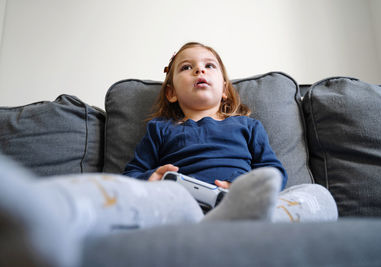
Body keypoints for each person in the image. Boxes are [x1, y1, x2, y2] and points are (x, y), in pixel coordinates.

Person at [0, 42, 337, 267]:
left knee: (316, 194)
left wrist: (252, 187)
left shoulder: (245, 126)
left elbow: (272, 169)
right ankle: (53, 209)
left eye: (208, 66)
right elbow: (131, 175)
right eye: (187, 67)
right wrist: (153, 179)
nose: (199, 71)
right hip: (183, 203)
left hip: (246, 200)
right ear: (173, 92)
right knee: (120, 193)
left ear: (224, 90)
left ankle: (256, 216)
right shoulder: (161, 129)